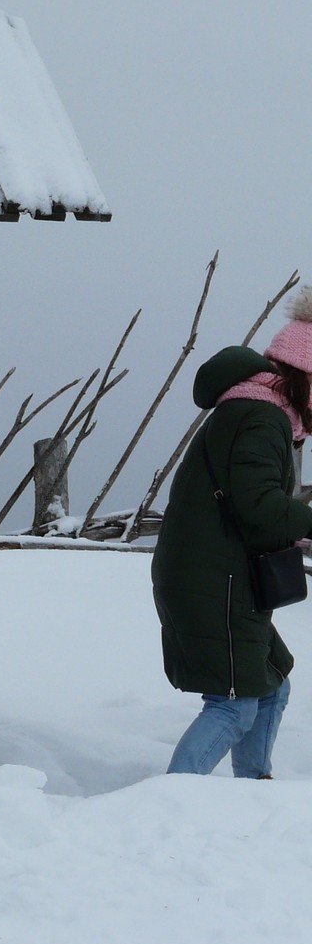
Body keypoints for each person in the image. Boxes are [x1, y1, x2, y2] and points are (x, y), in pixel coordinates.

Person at [153, 284, 312, 778]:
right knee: (233, 704)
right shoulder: (261, 418)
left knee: (271, 684)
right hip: (213, 582)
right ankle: (170, 803)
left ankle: (252, 793)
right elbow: (260, 506)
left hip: (222, 578)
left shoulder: (256, 410)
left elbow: (247, 506)